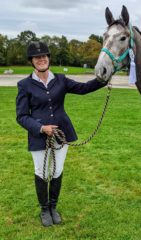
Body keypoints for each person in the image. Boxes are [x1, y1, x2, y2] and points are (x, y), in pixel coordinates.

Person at [16, 41, 107, 227]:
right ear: (32, 61)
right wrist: (41, 128)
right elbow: (22, 116)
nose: (41, 59)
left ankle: (53, 207)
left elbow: (83, 89)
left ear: (48, 58)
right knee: (42, 172)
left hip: (61, 133)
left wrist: (103, 79)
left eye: (44, 56)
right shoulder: (24, 85)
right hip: (39, 135)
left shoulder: (61, 79)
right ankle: (44, 209)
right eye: (37, 57)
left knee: (56, 171)